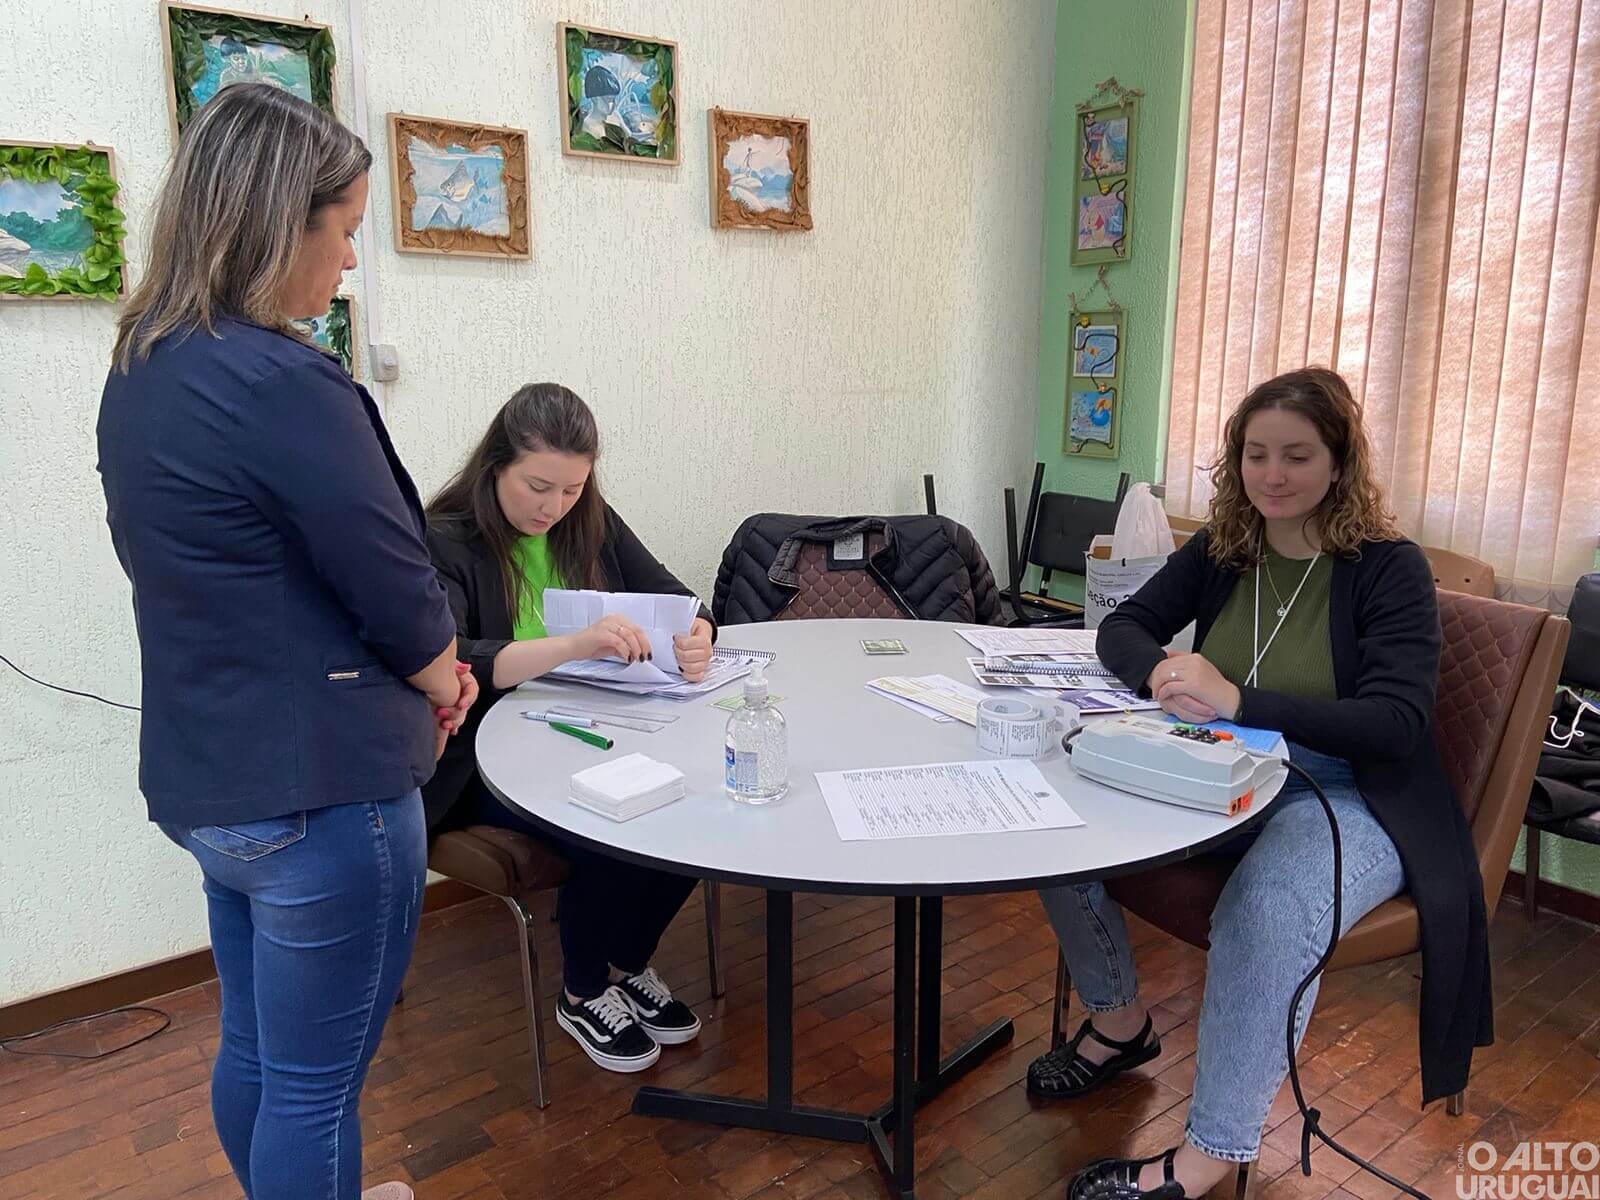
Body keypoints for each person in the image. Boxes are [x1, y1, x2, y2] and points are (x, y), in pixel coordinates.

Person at [97, 84, 476, 1200]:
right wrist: (445, 679)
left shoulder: (145, 365)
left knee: (258, 1051)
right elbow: (397, 587)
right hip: (322, 796)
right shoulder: (285, 383)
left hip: (212, 783)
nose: (351, 261)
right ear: (275, 224)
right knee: (315, 1089)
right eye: (345, 229)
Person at [1033, 368, 1491, 1200]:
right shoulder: (1226, 545)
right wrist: (1162, 673)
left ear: (1340, 462)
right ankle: (1120, 1022)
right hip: (1222, 762)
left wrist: (1240, 700)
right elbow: (1123, 625)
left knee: (1268, 908)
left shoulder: (1389, 568)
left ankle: (1208, 1153)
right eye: (1256, 454)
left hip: (1349, 790)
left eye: (1297, 456)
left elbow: (1395, 723)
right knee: (1060, 815)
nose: (1272, 475)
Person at [424, 382, 715, 1074]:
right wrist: (575, 646)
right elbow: (454, 661)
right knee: (605, 817)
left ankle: (627, 962)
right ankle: (583, 991)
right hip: (479, 755)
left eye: (572, 489)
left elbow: (678, 596)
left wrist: (699, 631)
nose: (553, 507)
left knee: (694, 805)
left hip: (587, 727)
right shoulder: (444, 538)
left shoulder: (589, 517)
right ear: (496, 465)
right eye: (537, 487)